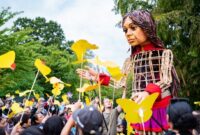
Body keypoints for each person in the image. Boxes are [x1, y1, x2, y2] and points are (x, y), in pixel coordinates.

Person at [77, 10, 180, 134]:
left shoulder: (164, 53)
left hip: (160, 109)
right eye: (125, 30)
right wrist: (97, 78)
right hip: (138, 110)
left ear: (147, 26)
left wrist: (148, 92)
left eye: (133, 28)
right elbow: (120, 83)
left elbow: (166, 81)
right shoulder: (130, 60)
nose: (128, 34)